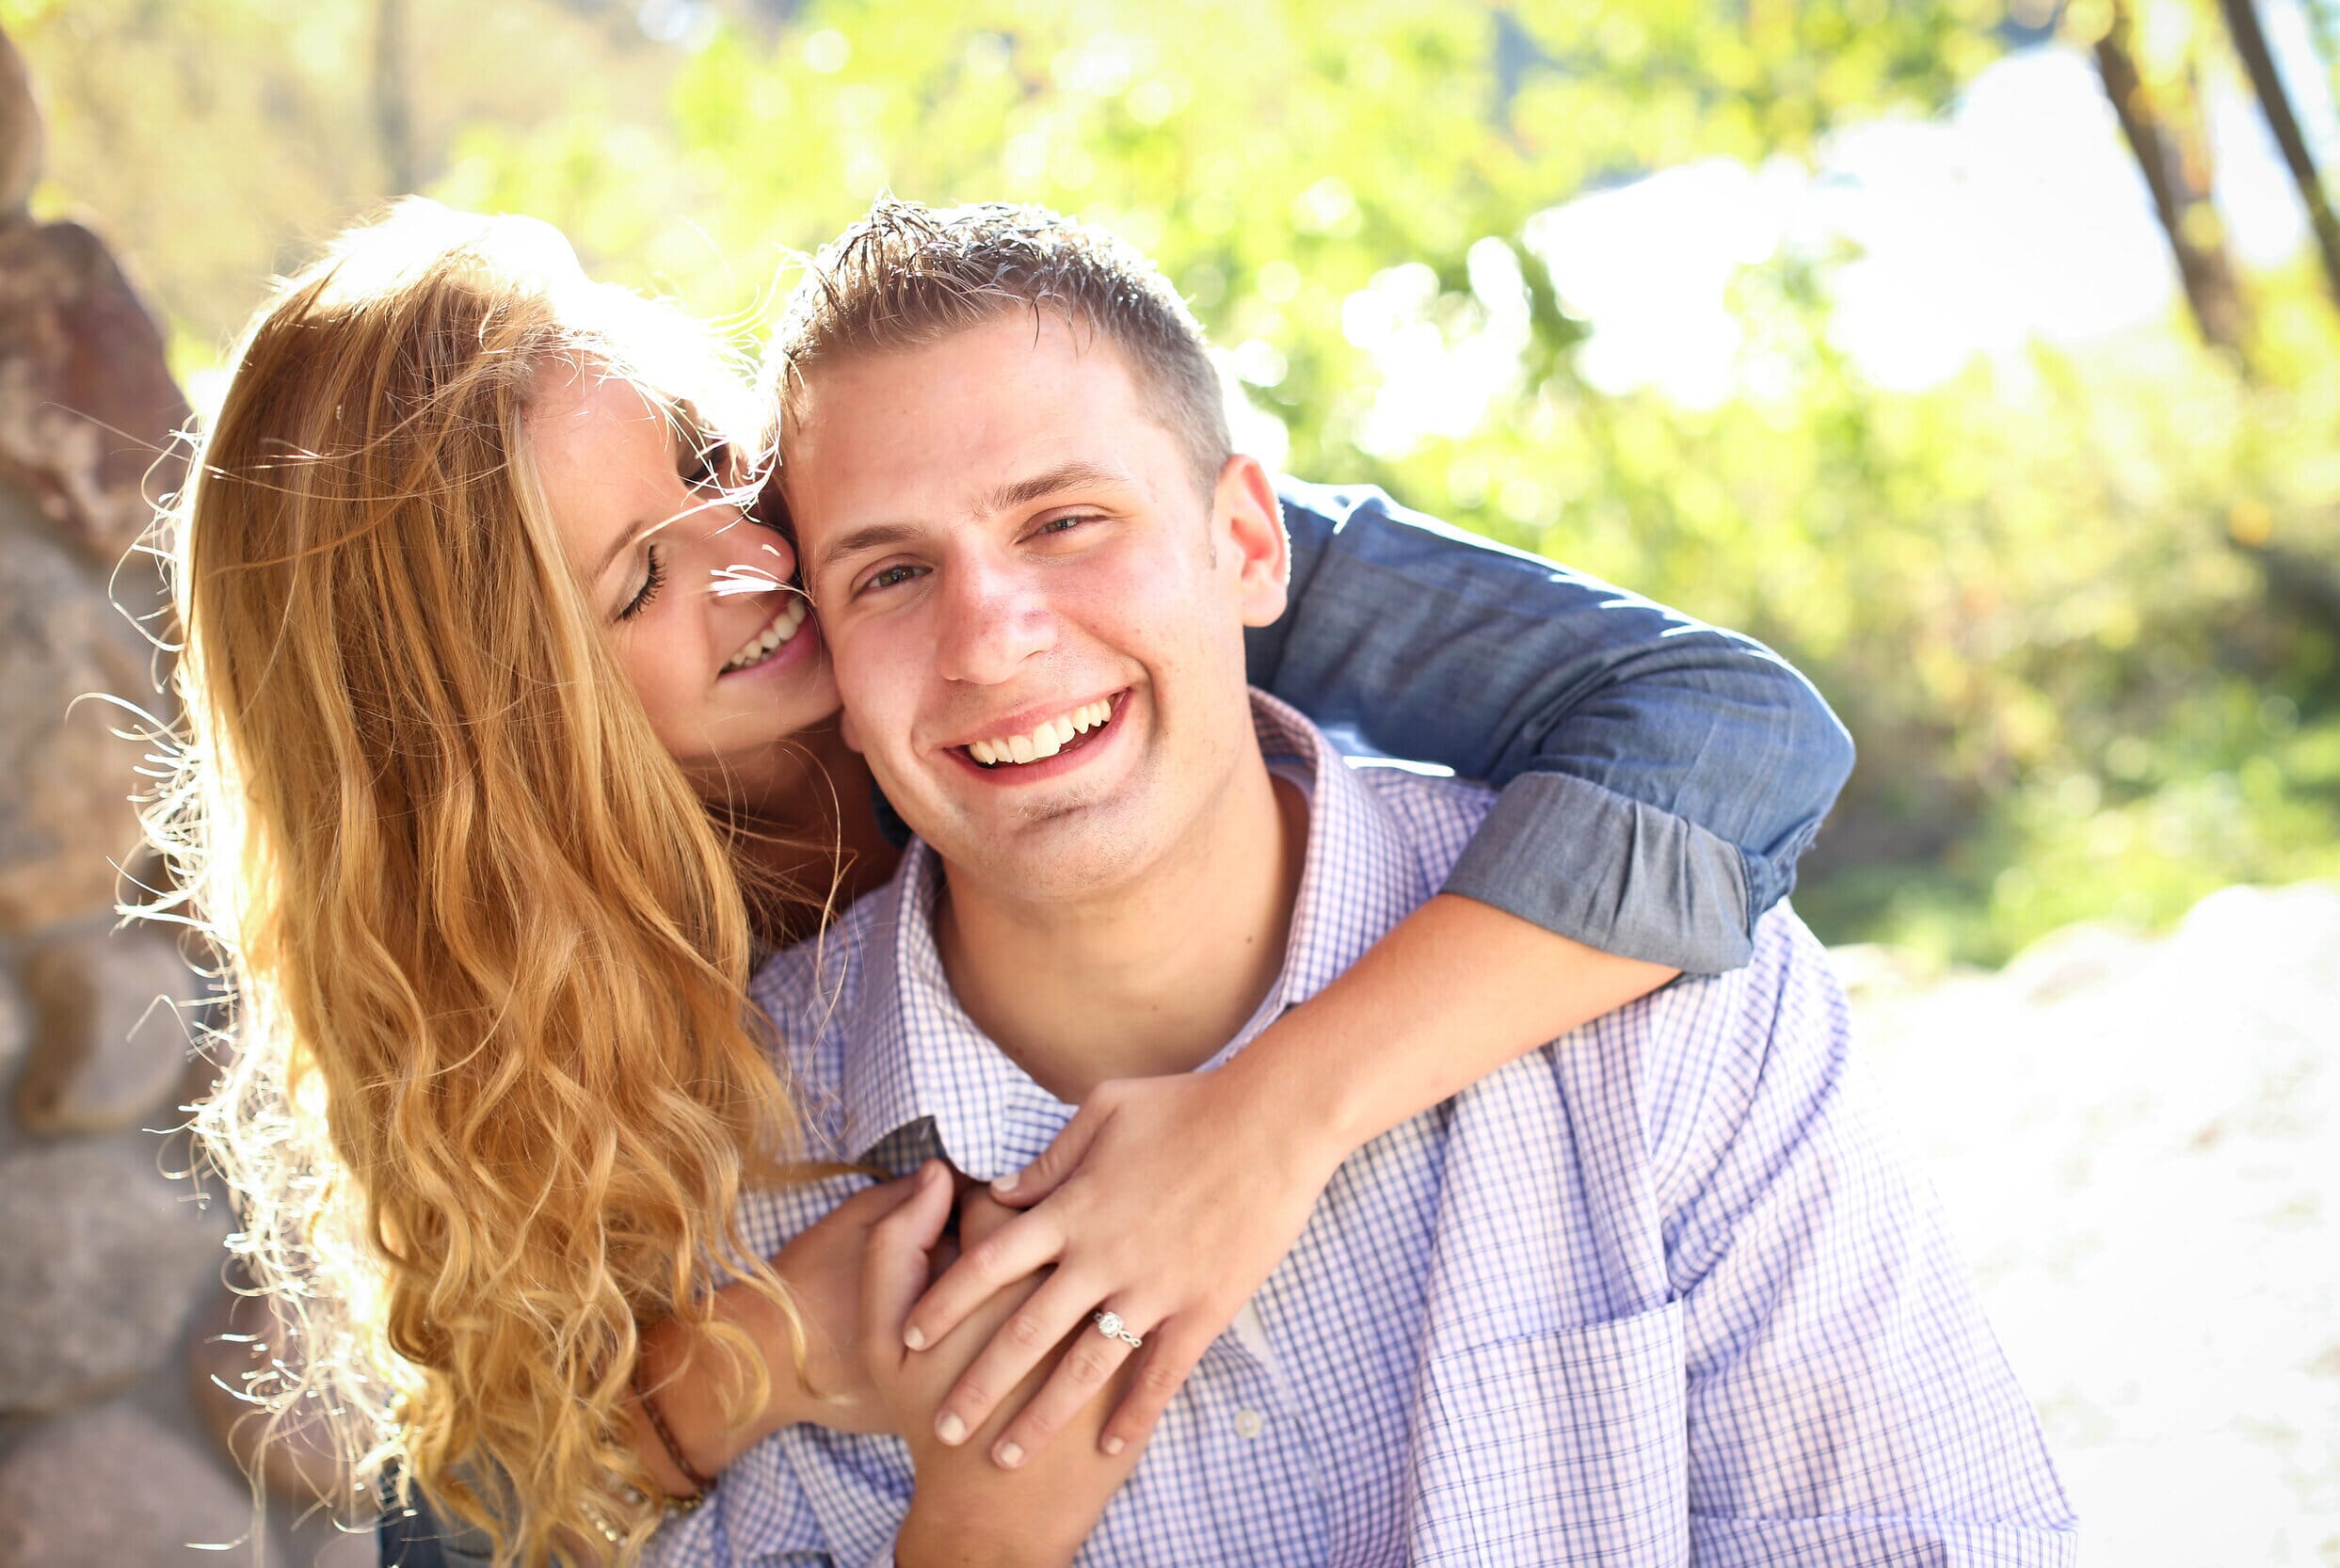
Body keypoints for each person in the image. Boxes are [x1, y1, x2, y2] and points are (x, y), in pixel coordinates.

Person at [157, 197, 1852, 1567]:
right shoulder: (517, 1002)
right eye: (631, 587)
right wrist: (762, 1358)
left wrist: (1271, 1120)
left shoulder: (1025, 559)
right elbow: (460, 1521)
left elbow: (1727, 733)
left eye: (699, 456)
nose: (761, 561)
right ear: (485, 740)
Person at [641, 197, 2079, 1566]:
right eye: (890, 574)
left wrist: (1278, 1112)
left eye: (1068, 521)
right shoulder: (752, 1192)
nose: (992, 638)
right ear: (815, 638)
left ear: (1250, 542)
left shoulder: (1656, 990)